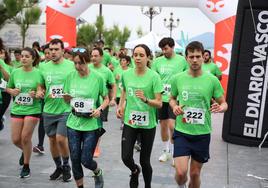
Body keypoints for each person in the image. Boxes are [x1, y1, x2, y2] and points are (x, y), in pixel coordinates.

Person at [169, 41, 228, 188]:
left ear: (203, 57)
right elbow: (171, 98)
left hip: (202, 133)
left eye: (197, 56)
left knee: (195, 174)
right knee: (181, 173)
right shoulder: (178, 78)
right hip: (182, 132)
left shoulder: (212, 80)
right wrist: (175, 106)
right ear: (186, 58)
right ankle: (181, 185)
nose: (194, 60)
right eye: (191, 57)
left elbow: (224, 103)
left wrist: (220, 108)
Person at [116, 44, 162, 188]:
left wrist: (146, 100)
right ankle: (135, 171)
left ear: (148, 57)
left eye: (141, 55)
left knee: (145, 160)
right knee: (125, 157)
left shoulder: (154, 76)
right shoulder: (126, 74)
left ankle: (147, 185)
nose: (138, 58)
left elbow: (159, 103)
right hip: (130, 121)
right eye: (135, 54)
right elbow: (124, 90)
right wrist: (121, 105)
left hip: (148, 124)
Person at [63, 48, 109, 188]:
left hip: (91, 124)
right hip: (73, 123)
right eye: (75, 63)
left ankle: (97, 171)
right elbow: (66, 100)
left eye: (81, 63)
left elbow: (106, 99)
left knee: (86, 160)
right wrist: (66, 98)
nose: (78, 67)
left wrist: (99, 109)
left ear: (87, 61)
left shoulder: (97, 77)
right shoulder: (70, 76)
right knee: (75, 159)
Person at [38, 38, 73, 182]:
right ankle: (58, 167)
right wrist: (39, 91)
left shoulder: (71, 66)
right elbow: (40, 85)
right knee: (52, 140)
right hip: (48, 109)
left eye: (56, 49)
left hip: (65, 109)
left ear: (63, 51)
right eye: (51, 50)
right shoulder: (43, 66)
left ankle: (66, 166)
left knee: (60, 139)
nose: (53, 52)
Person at [6, 47, 43, 178]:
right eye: (22, 56)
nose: (23, 58)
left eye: (27, 56)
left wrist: (37, 94)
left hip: (33, 109)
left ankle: (26, 166)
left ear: (33, 59)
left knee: (25, 137)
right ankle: (25, 151)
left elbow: (41, 91)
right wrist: (12, 92)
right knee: (16, 139)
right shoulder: (15, 72)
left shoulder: (38, 73)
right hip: (17, 108)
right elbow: (8, 87)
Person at [152, 37, 188, 164]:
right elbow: (154, 79)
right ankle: (165, 151)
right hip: (161, 99)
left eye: (166, 48)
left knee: (172, 126)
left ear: (172, 47)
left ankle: (174, 152)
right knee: (163, 126)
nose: (164, 51)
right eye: (162, 49)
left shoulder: (182, 61)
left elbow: (186, 77)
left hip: (175, 99)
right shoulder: (156, 62)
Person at [89, 47, 116, 157]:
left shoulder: (107, 71)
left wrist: (113, 98)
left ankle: (96, 147)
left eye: (96, 56)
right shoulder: (87, 68)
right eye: (92, 56)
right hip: (88, 102)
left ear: (101, 57)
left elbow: (113, 85)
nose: (93, 58)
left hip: (101, 103)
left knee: (98, 125)